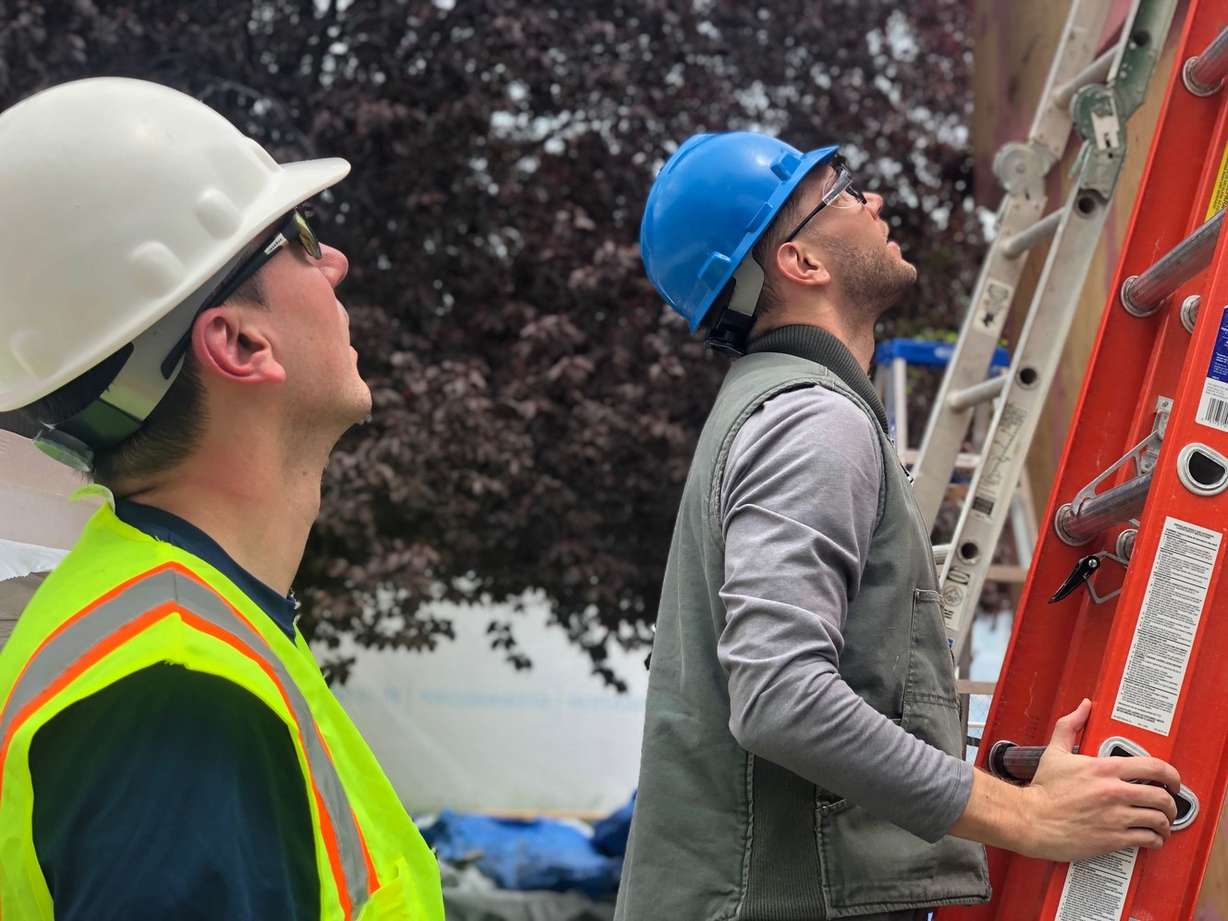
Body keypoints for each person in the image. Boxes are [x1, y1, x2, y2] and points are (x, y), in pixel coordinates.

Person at [615, 131, 1181, 921]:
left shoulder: (785, 410)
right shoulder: (813, 422)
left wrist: (1009, 779)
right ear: (800, 263)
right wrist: (1027, 818)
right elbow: (780, 695)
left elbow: (840, 695)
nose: (870, 199)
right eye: (840, 192)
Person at [0, 78, 444, 920]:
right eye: (301, 238)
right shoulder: (177, 696)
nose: (336, 262)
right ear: (240, 342)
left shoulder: (183, 628)